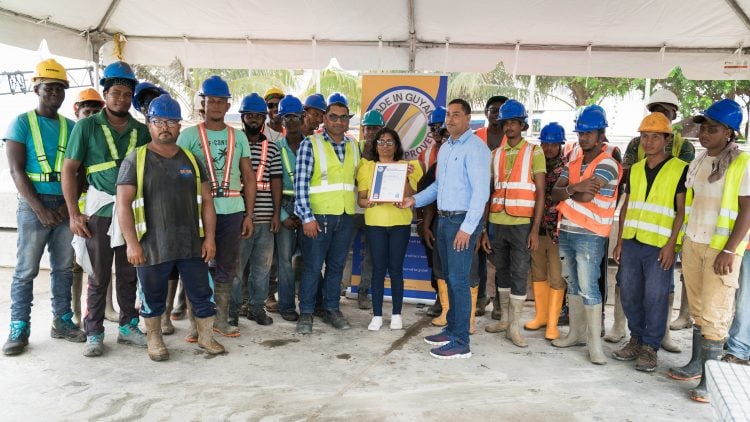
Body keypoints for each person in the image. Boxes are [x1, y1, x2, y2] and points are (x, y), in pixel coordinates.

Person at [116, 94, 225, 361]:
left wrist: (209, 238)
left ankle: (206, 337)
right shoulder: (136, 160)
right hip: (151, 245)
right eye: (158, 121)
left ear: (179, 126)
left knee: (201, 293)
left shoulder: (191, 159)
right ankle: (155, 340)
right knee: (153, 297)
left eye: (171, 121)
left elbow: (208, 202)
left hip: (191, 244)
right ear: (149, 125)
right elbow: (123, 204)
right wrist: (132, 243)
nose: (165, 127)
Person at [62, 61, 151, 357]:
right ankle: (94, 331)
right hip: (99, 212)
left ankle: (128, 327)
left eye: (127, 94)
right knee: (98, 275)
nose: (121, 99)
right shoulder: (87, 126)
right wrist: (74, 213)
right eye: (115, 93)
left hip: (132, 213)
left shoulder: (141, 130)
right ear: (106, 93)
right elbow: (69, 170)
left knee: (129, 273)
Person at [667, 99, 750, 403]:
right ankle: (695, 365)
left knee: (716, 314)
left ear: (729, 133)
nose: (704, 134)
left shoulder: (743, 163)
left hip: (721, 249)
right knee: (699, 309)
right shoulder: (699, 161)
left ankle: (710, 381)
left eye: (712, 129)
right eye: (703, 127)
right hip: (694, 243)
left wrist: (730, 250)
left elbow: (747, 211)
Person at [2, 59, 85, 356]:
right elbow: (16, 170)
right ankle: (19, 326)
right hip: (33, 205)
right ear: (36, 88)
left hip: (63, 206)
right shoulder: (22, 123)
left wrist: (67, 206)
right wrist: (40, 209)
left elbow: (81, 171)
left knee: (63, 267)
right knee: (25, 270)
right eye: (49, 87)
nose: (55, 92)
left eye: (60, 87)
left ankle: (62, 320)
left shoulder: (72, 127)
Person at [401, 98, 490, 359]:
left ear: (468, 118)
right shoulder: (447, 147)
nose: (450, 120)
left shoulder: (476, 148)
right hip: (443, 219)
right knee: (450, 279)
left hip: (461, 222)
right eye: (448, 115)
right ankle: (452, 330)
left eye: (456, 115)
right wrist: (413, 200)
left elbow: (480, 193)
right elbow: (439, 187)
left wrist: (468, 228)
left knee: (459, 281)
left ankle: (461, 342)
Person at [609, 88, 695, 349]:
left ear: (666, 137)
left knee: (656, 296)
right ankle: (636, 338)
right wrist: (621, 241)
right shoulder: (635, 168)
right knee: (630, 292)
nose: (648, 142)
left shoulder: (681, 167)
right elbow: (626, 205)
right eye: (645, 137)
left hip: (660, 244)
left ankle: (650, 347)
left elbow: (682, 211)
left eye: (655, 137)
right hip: (633, 242)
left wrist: (673, 245)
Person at [177, 75, 256, 339]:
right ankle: (195, 324)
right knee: (195, 268)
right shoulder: (188, 135)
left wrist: (249, 215)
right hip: (197, 211)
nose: (216, 106)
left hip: (232, 210)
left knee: (227, 267)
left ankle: (220, 321)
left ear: (227, 105)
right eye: (211, 100)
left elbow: (248, 177)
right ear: (203, 103)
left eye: (221, 101)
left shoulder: (239, 137)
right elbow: (176, 175)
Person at [550, 105, 621, 365]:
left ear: (601, 133)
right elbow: (554, 193)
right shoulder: (575, 161)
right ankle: (576, 334)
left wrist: (571, 189)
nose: (584, 138)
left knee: (590, 287)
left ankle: (594, 345)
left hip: (591, 234)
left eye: (589, 133)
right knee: (574, 284)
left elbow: (588, 195)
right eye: (581, 133)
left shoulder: (608, 163)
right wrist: (575, 188)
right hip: (567, 230)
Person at [294, 92, 360, 334]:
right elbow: (301, 186)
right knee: (312, 267)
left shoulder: (354, 145)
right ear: (324, 119)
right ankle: (307, 313)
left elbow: (360, 180)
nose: (339, 122)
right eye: (334, 117)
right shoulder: (310, 144)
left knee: (336, 266)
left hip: (345, 217)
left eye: (344, 118)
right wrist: (307, 218)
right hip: (318, 218)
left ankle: (332, 308)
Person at [483, 100, 546, 348]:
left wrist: (534, 229)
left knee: (520, 273)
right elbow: (489, 192)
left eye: (513, 122)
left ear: (522, 125)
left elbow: (540, 192)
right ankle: (505, 320)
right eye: (506, 122)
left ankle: (515, 327)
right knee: (502, 272)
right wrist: (485, 229)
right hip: (497, 222)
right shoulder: (495, 154)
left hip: (521, 224)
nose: (509, 127)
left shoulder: (534, 151)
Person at [357, 128, 422, 330]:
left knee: (395, 270)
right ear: (375, 145)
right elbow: (362, 199)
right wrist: (373, 202)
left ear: (397, 146)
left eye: (390, 141)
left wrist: (404, 178)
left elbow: (411, 196)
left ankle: (396, 314)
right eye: (381, 141)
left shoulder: (409, 166)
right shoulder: (367, 167)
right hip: (375, 223)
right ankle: (376, 315)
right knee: (378, 269)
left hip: (399, 224)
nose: (385, 145)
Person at [232, 93, 282, 326]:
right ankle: (232, 311)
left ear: (264, 118)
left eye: (258, 115)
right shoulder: (232, 144)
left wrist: (276, 213)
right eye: (249, 115)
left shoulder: (271, 148)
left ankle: (256, 308)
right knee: (236, 268)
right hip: (238, 216)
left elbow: (276, 181)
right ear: (242, 117)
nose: (253, 119)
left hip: (264, 218)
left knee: (261, 269)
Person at [524, 122, 567, 341]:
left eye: (554, 144)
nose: (549, 148)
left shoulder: (567, 168)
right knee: (538, 273)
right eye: (546, 144)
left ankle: (553, 323)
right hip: (536, 230)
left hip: (557, 232)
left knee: (557, 277)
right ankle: (541, 316)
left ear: (561, 144)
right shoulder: (534, 164)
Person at [70, 87, 105, 327]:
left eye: (96, 111)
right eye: (87, 110)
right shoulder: (75, 134)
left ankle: (106, 308)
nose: (91, 115)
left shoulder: (100, 136)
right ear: (77, 111)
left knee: (98, 262)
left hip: (95, 207)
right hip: (74, 209)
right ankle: (74, 311)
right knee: (75, 263)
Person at [344, 108, 384, 310]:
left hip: (373, 212)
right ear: (363, 130)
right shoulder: (353, 148)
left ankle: (363, 292)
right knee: (341, 252)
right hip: (351, 210)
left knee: (372, 255)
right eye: (368, 128)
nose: (371, 133)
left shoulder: (384, 154)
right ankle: (337, 290)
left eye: (376, 128)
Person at [275, 95, 306, 322]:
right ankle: (286, 306)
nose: (291, 121)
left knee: (309, 259)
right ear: (281, 121)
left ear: (302, 118)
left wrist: (305, 211)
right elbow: (269, 185)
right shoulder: (275, 148)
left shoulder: (313, 146)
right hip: (283, 205)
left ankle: (309, 304)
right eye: (287, 117)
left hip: (307, 206)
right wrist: (283, 215)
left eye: (295, 116)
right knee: (284, 261)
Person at [417, 107, 448, 319]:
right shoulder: (426, 154)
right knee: (435, 259)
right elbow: (423, 188)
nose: (437, 133)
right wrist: (423, 221)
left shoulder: (463, 152)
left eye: (441, 129)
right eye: (433, 128)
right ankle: (441, 299)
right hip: (431, 214)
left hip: (454, 214)